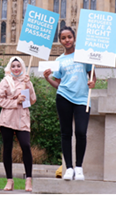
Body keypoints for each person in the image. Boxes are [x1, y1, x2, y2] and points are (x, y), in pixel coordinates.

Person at [43, 26, 96, 181]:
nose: (67, 40)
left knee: (81, 132)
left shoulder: (83, 56)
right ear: (60, 41)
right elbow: (59, 84)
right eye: (63, 38)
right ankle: (69, 168)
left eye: (69, 37)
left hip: (82, 99)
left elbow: (92, 76)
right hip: (63, 97)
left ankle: (79, 167)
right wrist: (48, 79)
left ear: (74, 38)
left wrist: (92, 82)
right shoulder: (59, 61)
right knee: (66, 134)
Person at [0, 56, 36, 192]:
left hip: (22, 118)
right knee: (7, 148)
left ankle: (28, 180)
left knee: (25, 145)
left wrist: (28, 85)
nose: (16, 68)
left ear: (22, 67)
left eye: (19, 66)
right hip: (8, 118)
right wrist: (15, 101)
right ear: (10, 68)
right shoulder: (5, 81)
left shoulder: (26, 81)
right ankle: (9, 180)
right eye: (13, 66)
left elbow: (32, 100)